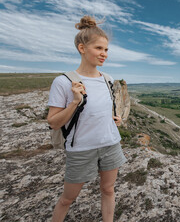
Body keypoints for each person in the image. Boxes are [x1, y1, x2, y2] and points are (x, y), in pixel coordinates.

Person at [47, 15, 127, 222]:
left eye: (106, 50)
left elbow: (101, 109)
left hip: (110, 144)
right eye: (99, 49)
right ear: (82, 48)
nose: (104, 54)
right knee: (67, 199)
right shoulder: (64, 82)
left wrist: (113, 119)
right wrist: (75, 101)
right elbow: (53, 122)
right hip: (81, 148)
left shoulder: (107, 79)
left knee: (108, 190)